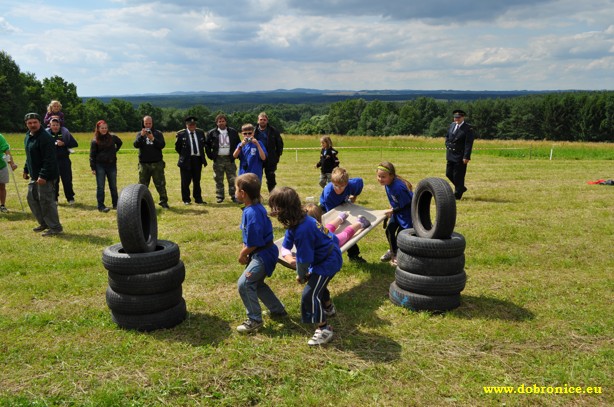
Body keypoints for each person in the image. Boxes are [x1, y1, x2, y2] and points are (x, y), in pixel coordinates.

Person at [270, 187, 342, 346]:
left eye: (276, 208)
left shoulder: (303, 228)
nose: (274, 212)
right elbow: (286, 246)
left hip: (328, 261)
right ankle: (329, 307)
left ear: (285, 209)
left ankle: (324, 329)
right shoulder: (296, 221)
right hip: (322, 259)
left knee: (309, 294)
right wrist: (288, 258)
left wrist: (301, 274)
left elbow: (304, 260)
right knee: (318, 285)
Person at [234, 173, 286, 333]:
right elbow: (249, 236)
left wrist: (243, 254)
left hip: (263, 255)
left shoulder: (252, 213)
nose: (234, 192)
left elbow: (255, 242)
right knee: (256, 283)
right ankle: (277, 310)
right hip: (260, 253)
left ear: (243, 193)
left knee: (245, 284)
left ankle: (254, 319)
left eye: (236, 189)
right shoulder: (252, 209)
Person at [22, 112, 63, 236]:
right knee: (32, 198)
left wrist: (43, 175)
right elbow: (29, 155)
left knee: (46, 201)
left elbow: (49, 159)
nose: (32, 125)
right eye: (30, 123)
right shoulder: (28, 136)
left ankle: (55, 227)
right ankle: (44, 223)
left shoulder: (45, 138)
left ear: (40, 122)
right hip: (34, 175)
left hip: (46, 176)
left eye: (35, 122)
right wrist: (25, 169)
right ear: (26, 124)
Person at [319, 166, 366, 263]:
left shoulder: (352, 184)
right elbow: (331, 215)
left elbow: (360, 182)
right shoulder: (329, 194)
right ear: (332, 182)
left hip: (343, 205)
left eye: (342, 186)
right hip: (327, 210)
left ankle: (354, 256)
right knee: (332, 233)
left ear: (347, 184)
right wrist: (339, 219)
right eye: (336, 185)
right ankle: (326, 257)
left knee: (349, 229)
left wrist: (354, 196)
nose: (338, 189)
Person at [376, 161, 414, 266]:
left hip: (407, 215)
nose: (380, 179)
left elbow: (407, 204)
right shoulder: (388, 183)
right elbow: (396, 200)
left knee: (400, 236)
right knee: (389, 231)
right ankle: (393, 252)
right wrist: (392, 208)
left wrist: (392, 210)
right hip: (398, 212)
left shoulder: (398, 187)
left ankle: (399, 255)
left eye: (383, 177)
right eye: (379, 176)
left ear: (391, 176)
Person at [134, 115, 169, 208]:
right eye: (146, 123)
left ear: (152, 123)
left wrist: (153, 138)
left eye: (150, 123)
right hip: (144, 164)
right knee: (142, 185)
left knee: (160, 184)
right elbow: (136, 145)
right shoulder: (139, 134)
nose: (148, 125)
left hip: (157, 163)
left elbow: (162, 145)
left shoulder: (158, 133)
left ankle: (164, 202)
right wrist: (141, 136)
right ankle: (141, 203)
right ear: (143, 123)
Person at [205, 113, 241, 203]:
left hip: (230, 158)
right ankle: (220, 196)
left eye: (223, 121)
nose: (221, 123)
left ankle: (234, 195)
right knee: (218, 178)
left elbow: (238, 143)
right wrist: (211, 156)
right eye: (219, 121)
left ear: (226, 122)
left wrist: (236, 155)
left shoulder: (233, 132)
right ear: (216, 123)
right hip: (218, 159)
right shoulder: (211, 133)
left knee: (232, 178)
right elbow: (207, 145)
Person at [302, 203, 370, 248]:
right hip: (324, 234)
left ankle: (360, 223)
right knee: (327, 228)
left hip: (331, 241)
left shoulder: (303, 229)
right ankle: (340, 217)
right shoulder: (317, 227)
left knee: (345, 234)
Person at [90, 120, 123, 212]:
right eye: (102, 128)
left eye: (105, 128)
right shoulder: (94, 141)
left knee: (113, 185)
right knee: (100, 186)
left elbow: (120, 143)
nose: (104, 130)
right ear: (98, 129)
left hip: (111, 165)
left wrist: (114, 151)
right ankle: (101, 206)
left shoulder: (113, 137)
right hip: (100, 165)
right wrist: (93, 168)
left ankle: (116, 204)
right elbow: (92, 155)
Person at [175, 116, 208, 205]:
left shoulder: (200, 133)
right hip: (186, 160)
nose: (192, 126)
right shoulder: (181, 134)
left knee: (197, 180)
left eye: (193, 124)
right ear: (186, 125)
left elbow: (203, 145)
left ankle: (198, 199)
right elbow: (178, 148)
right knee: (185, 181)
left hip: (197, 160)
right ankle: (186, 199)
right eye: (190, 124)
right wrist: (185, 156)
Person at [47, 117, 78, 204]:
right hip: (52, 161)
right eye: (53, 125)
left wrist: (64, 144)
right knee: (54, 181)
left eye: (57, 125)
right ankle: (55, 199)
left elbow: (75, 144)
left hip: (64, 160)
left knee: (67, 180)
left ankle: (70, 198)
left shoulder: (65, 133)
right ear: (50, 125)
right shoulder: (46, 134)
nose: (55, 127)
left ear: (60, 125)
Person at [445, 109, 475, 200]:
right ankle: (461, 188)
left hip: (460, 155)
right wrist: (446, 144)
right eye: (455, 117)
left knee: (458, 175)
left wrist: (466, 156)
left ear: (463, 117)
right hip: (451, 154)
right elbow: (447, 136)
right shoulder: (452, 125)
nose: (456, 119)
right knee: (449, 173)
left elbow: (468, 143)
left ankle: (457, 195)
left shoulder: (468, 128)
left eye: (458, 117)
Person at [254, 112, 283, 192]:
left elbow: (279, 144)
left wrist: (277, 156)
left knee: (271, 177)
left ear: (267, 121)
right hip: (257, 158)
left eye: (264, 120)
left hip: (270, 158)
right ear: (258, 121)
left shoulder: (274, 131)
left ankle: (272, 195)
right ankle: (255, 195)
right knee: (256, 178)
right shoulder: (253, 131)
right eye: (261, 119)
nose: (262, 121)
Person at [0, 132, 19, 213]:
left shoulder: (0, 137)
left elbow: (6, 150)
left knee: (2, 186)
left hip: (1, 166)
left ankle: (2, 205)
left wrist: (12, 163)